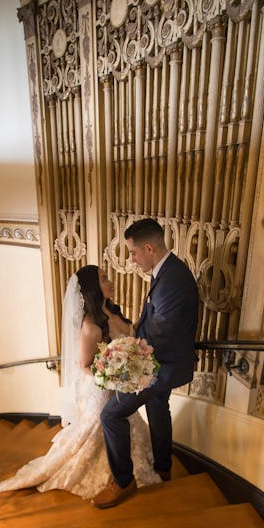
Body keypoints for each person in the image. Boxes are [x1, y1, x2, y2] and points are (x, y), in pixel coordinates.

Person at [0, 265, 161, 499]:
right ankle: (118, 474)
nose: (110, 282)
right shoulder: (91, 327)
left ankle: (127, 468)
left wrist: (134, 367)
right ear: (92, 288)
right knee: (103, 424)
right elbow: (83, 365)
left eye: (107, 277)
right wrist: (114, 378)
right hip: (101, 388)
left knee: (123, 419)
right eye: (103, 279)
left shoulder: (115, 312)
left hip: (118, 385)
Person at [92, 218, 199, 509]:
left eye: (133, 252)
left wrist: (125, 355)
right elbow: (155, 322)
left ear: (149, 248)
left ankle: (123, 482)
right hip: (164, 362)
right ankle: (163, 466)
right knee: (157, 408)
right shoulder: (167, 272)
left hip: (160, 367)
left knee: (111, 416)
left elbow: (159, 336)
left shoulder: (173, 280)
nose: (132, 259)